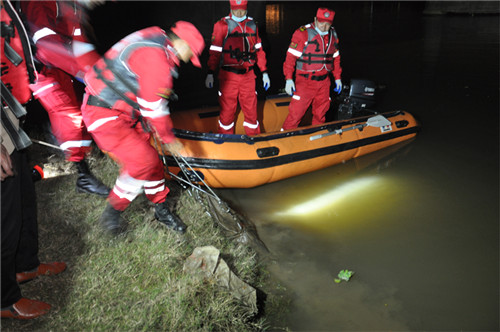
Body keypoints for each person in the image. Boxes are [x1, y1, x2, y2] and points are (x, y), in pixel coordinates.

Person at [81, 21, 205, 235]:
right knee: (143, 161)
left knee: (153, 162)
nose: (187, 60)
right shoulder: (158, 60)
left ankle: (160, 207)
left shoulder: (156, 38)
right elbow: (155, 108)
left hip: (125, 112)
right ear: (183, 44)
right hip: (104, 113)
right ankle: (113, 211)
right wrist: (169, 139)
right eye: (190, 54)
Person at [1, 0, 66, 319]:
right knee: (4, 215)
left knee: (24, 197)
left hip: (11, 115)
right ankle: (3, 299)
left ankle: (25, 265)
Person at [20, 0, 110, 197]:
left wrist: (99, 70)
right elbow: (46, 45)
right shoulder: (40, 2)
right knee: (67, 115)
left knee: (81, 107)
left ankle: (89, 155)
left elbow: (80, 44)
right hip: (40, 68)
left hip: (58, 65)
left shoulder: (72, 7)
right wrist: (87, 72)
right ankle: (84, 176)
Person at [205, 0, 270, 136]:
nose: (239, 13)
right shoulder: (221, 25)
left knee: (251, 111)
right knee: (227, 112)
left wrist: (264, 72)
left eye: (242, 10)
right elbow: (215, 52)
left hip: (249, 75)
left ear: (246, 9)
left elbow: (259, 50)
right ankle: (226, 139)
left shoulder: (253, 25)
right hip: (229, 77)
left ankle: (253, 138)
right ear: (231, 8)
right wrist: (210, 72)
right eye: (236, 10)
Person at [281, 7, 343, 130]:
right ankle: (285, 136)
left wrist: (337, 78)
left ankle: (317, 135)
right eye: (321, 22)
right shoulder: (303, 33)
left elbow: (336, 58)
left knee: (321, 113)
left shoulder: (333, 34)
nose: (324, 27)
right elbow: (290, 59)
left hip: (324, 82)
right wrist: (288, 79)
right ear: (315, 19)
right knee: (296, 114)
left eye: (327, 24)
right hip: (305, 82)